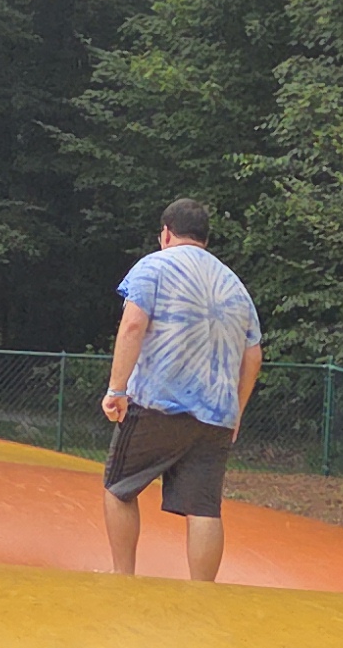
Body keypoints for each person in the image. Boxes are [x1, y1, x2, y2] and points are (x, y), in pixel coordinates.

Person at [99, 197, 260, 582]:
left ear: (166, 233)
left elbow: (133, 325)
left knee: (119, 488)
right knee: (204, 508)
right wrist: (236, 410)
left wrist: (116, 389)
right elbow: (253, 355)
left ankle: (123, 577)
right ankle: (203, 592)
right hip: (216, 416)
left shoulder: (155, 266)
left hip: (158, 403)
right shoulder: (232, 284)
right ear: (205, 237)